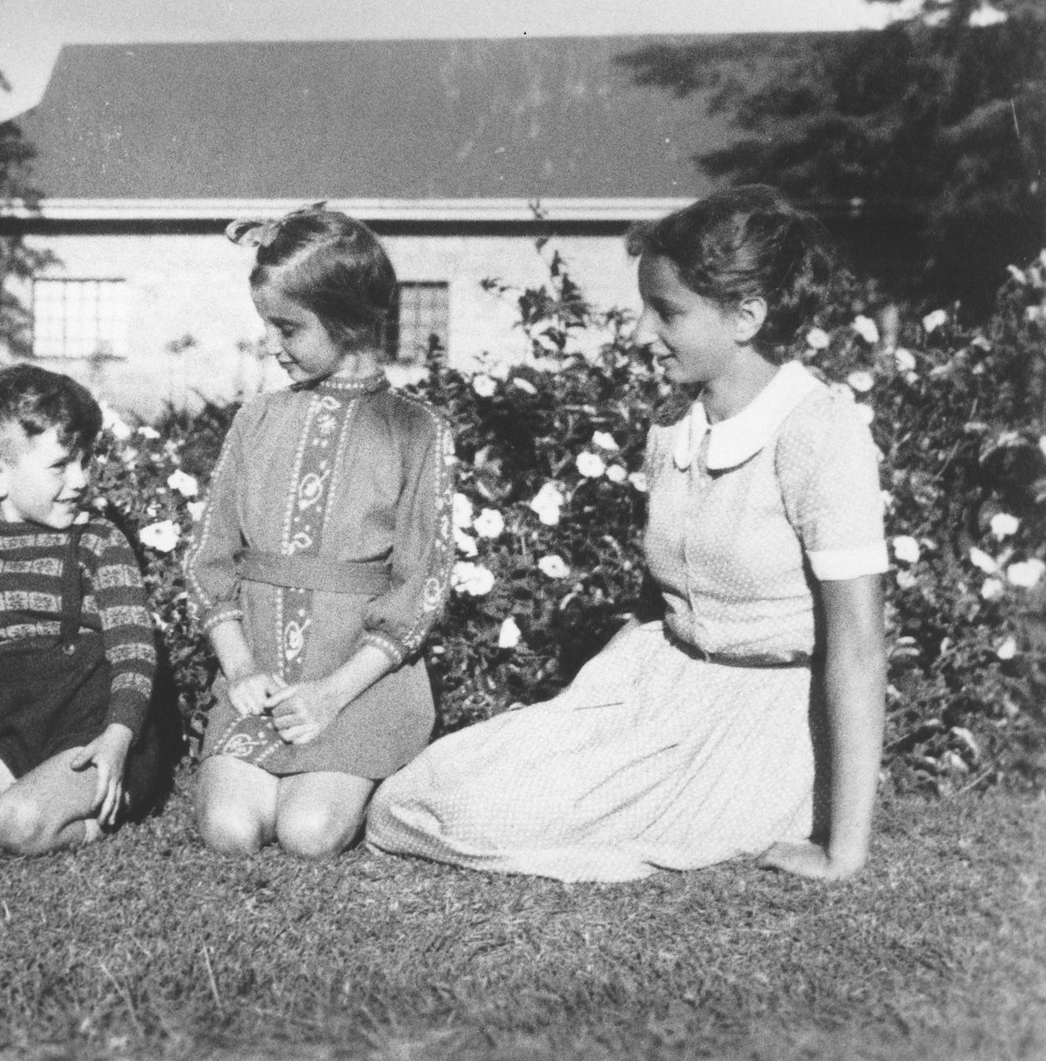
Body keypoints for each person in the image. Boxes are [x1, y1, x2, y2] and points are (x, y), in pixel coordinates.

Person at [367, 185, 890, 883]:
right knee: (415, 793)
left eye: (667, 311)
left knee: (468, 818)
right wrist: (598, 707)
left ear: (748, 316)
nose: (643, 332)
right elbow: (667, 595)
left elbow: (857, 647)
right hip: (654, 686)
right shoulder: (673, 428)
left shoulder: (820, 433)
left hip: (757, 729)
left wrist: (842, 852)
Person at [185, 205, 455, 858]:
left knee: (308, 833)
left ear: (350, 319)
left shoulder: (417, 429)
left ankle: (357, 769)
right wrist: (242, 667)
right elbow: (210, 560)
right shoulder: (256, 420)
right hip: (264, 678)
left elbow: (420, 586)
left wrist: (332, 696)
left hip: (358, 688)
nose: (272, 345)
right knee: (229, 830)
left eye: (287, 327)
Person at [0, 364, 170, 854]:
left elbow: (135, 653)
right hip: (20, 740)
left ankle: (99, 815)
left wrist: (119, 738)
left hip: (99, 738)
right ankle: (27, 797)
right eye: (61, 465)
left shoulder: (99, 542)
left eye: (85, 461)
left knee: (16, 821)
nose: (81, 480)